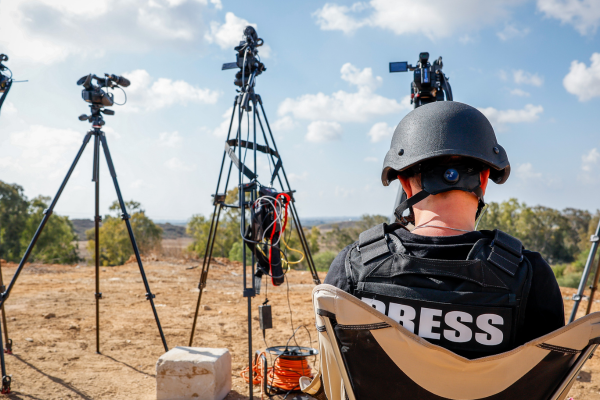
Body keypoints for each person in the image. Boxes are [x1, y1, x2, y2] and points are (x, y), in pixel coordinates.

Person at [324, 101, 564, 359]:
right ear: (483, 179)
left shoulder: (354, 265)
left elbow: (333, 375)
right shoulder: (529, 276)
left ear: (404, 184)